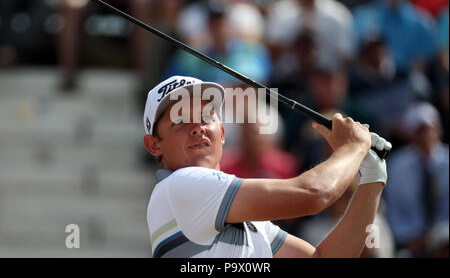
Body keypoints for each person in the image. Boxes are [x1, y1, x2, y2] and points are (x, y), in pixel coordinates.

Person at [143, 75, 391, 258]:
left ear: (222, 132)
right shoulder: (179, 185)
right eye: (180, 119)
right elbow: (314, 193)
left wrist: (372, 177)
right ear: (154, 145)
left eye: (206, 116)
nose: (197, 126)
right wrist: (354, 148)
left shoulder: (248, 220)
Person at [384, 102, 449, 257]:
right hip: (411, 246)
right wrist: (410, 237)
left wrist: (442, 236)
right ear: (410, 135)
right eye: (419, 131)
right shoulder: (397, 166)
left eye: (428, 129)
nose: (425, 136)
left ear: (438, 130)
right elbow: (394, 209)